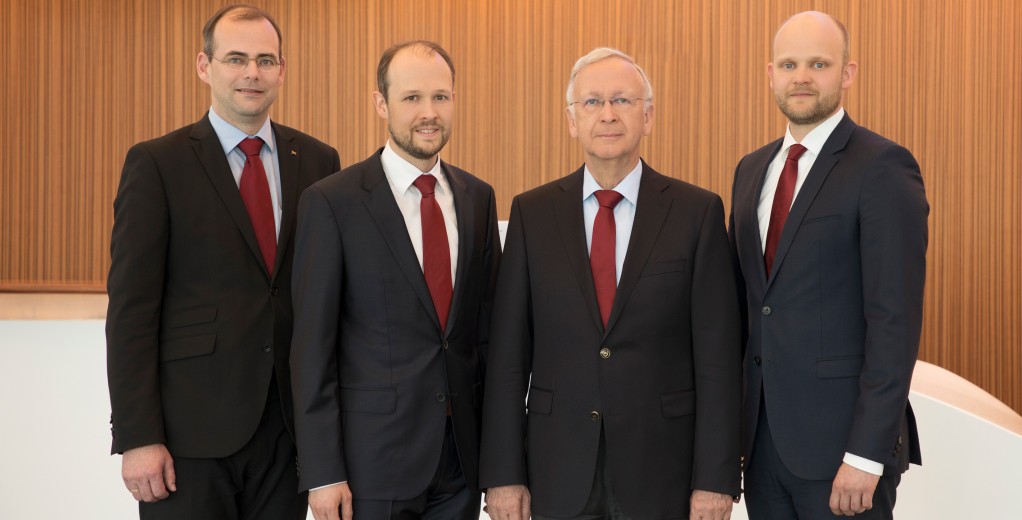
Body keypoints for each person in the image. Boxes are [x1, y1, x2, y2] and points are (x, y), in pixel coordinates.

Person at [480, 47, 742, 520]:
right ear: (571, 120)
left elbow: (718, 360)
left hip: (663, 472)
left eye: (622, 100)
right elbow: (506, 359)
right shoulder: (531, 215)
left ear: (648, 115)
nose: (607, 115)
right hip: (556, 470)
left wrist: (716, 479)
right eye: (592, 102)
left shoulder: (696, 213)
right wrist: (503, 474)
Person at [105, 4, 340, 518]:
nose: (252, 73)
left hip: (288, 434)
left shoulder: (320, 162)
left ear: (282, 69)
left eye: (265, 60)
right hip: (189, 439)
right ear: (204, 66)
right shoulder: (157, 163)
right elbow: (131, 311)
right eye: (236, 58)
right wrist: (138, 437)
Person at [728, 11, 928, 519]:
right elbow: (751, 310)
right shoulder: (751, 171)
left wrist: (866, 453)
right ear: (768, 73)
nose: (801, 77)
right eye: (789, 64)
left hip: (844, 455)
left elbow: (894, 323)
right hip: (764, 448)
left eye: (818, 63)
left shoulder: (882, 166)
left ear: (847, 73)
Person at [289, 40, 500, 520]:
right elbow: (312, 348)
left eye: (441, 97)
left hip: (462, 464)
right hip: (371, 465)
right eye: (412, 98)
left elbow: (487, 338)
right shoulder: (332, 202)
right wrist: (323, 470)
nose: (429, 112)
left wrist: (501, 459)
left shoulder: (477, 199)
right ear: (381, 104)